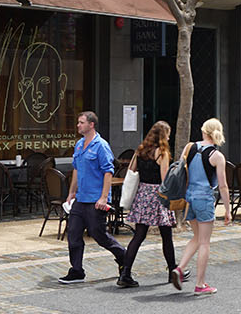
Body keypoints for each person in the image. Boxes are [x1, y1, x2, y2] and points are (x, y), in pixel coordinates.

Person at [57, 111, 127, 285]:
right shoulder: (79, 145)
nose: (78, 125)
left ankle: (124, 257)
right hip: (80, 199)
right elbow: (76, 169)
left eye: (81, 122)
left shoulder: (101, 146)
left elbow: (108, 172)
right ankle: (76, 271)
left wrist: (103, 198)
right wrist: (71, 192)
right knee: (73, 234)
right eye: (78, 122)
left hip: (96, 199)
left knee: (99, 235)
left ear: (91, 124)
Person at [174, 118, 232, 296]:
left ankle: (180, 268)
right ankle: (200, 284)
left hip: (189, 198)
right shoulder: (217, 156)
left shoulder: (189, 147)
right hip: (204, 199)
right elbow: (223, 186)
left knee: (197, 237)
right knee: (205, 242)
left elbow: (181, 170)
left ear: (203, 131)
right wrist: (228, 209)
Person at [121, 121, 179, 289]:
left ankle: (125, 273)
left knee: (139, 235)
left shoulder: (140, 151)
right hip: (158, 195)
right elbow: (164, 179)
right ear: (163, 136)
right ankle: (172, 271)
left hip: (142, 194)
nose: (169, 138)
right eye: (168, 134)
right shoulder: (162, 153)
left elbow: (131, 171)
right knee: (166, 235)